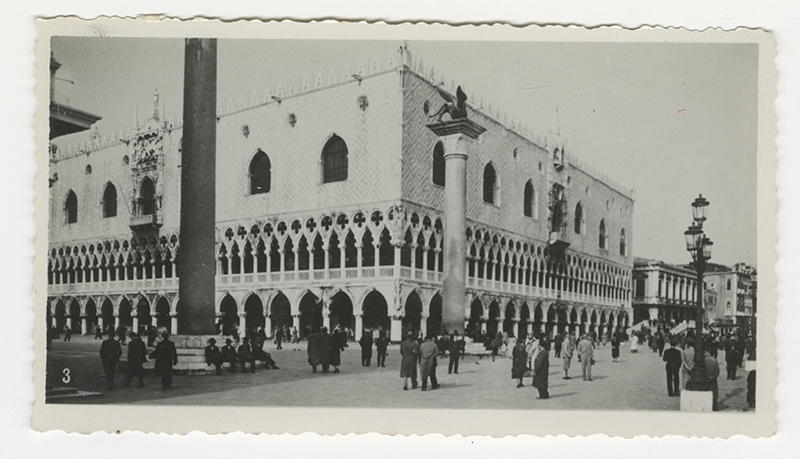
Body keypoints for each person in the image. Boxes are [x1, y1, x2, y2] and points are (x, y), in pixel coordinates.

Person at [704, 345, 721, 411]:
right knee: (713, 395)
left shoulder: (701, 360)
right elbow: (717, 371)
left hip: (704, 380)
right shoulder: (714, 360)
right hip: (712, 380)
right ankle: (714, 407)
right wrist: (712, 377)